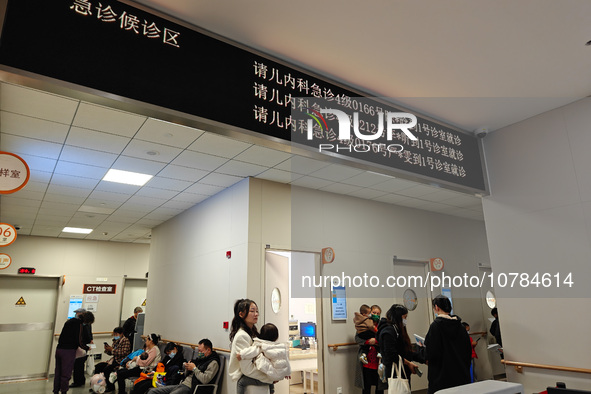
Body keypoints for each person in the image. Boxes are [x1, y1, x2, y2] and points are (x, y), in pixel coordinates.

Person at [424, 295, 471, 394]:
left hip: (442, 380)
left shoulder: (435, 326)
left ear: (436, 307)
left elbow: (431, 354)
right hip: (461, 377)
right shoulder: (461, 327)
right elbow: (467, 351)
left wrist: (421, 349)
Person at [375, 304, 424, 393]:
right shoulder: (388, 331)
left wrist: (422, 358)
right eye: (405, 317)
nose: (405, 320)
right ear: (398, 317)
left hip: (403, 370)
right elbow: (391, 355)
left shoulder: (396, 329)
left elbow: (405, 351)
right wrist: (408, 363)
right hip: (396, 372)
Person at [229, 299, 274, 394]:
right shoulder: (242, 336)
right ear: (241, 314)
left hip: (259, 381)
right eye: (252, 311)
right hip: (252, 384)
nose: (256, 314)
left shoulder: (252, 332)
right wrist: (270, 377)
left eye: (257, 311)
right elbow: (247, 369)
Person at [146, 339, 220, 394]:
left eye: (201, 351)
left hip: (192, 388)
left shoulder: (213, 363)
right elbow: (186, 374)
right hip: (183, 384)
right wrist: (187, 368)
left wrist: (194, 369)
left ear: (209, 350)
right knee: (152, 391)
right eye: (198, 351)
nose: (199, 353)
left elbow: (205, 379)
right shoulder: (200, 359)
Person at [237, 323, 291, 394]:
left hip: (266, 379)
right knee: (271, 376)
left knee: (241, 382)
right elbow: (286, 361)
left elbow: (251, 352)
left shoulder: (261, 346)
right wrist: (288, 373)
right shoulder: (280, 347)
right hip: (277, 377)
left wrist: (241, 355)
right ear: (276, 337)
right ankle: (272, 391)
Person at [53, 311, 95, 394]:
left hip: (59, 349)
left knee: (58, 372)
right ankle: (64, 391)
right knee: (66, 373)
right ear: (87, 320)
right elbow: (78, 340)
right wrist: (86, 347)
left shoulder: (69, 321)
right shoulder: (78, 324)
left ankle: (56, 391)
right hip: (68, 351)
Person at [94, 327, 132, 393]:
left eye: (116, 334)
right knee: (98, 366)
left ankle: (110, 387)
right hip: (113, 360)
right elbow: (112, 353)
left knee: (107, 370)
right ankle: (97, 385)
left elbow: (123, 353)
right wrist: (107, 350)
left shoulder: (126, 341)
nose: (115, 335)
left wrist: (112, 350)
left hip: (120, 361)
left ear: (121, 334)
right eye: (114, 334)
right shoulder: (116, 341)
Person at [70, 309, 94, 388]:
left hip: (82, 345)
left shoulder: (83, 323)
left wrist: (87, 344)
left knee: (78, 364)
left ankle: (77, 381)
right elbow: (89, 333)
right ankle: (81, 380)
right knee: (80, 364)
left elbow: (86, 334)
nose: (76, 314)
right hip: (84, 345)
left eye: (78, 313)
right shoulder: (86, 323)